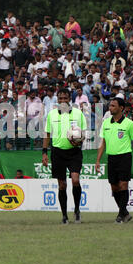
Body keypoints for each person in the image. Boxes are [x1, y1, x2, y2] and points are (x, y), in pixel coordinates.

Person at [42, 88, 87, 224]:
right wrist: (44, 152)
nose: (63, 101)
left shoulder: (79, 114)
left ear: (69, 99)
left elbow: (83, 133)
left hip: (74, 152)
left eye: (65, 98)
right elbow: (47, 134)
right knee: (62, 185)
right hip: (57, 152)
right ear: (57, 99)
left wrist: (78, 140)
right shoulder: (52, 115)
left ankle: (77, 210)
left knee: (75, 180)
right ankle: (64, 215)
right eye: (60, 98)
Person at [95, 97, 133, 224]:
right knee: (114, 187)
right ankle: (125, 213)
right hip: (111, 158)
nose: (110, 108)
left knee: (123, 185)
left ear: (121, 108)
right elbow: (103, 143)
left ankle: (120, 215)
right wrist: (98, 160)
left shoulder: (129, 124)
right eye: (110, 106)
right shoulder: (106, 123)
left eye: (113, 106)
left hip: (124, 157)